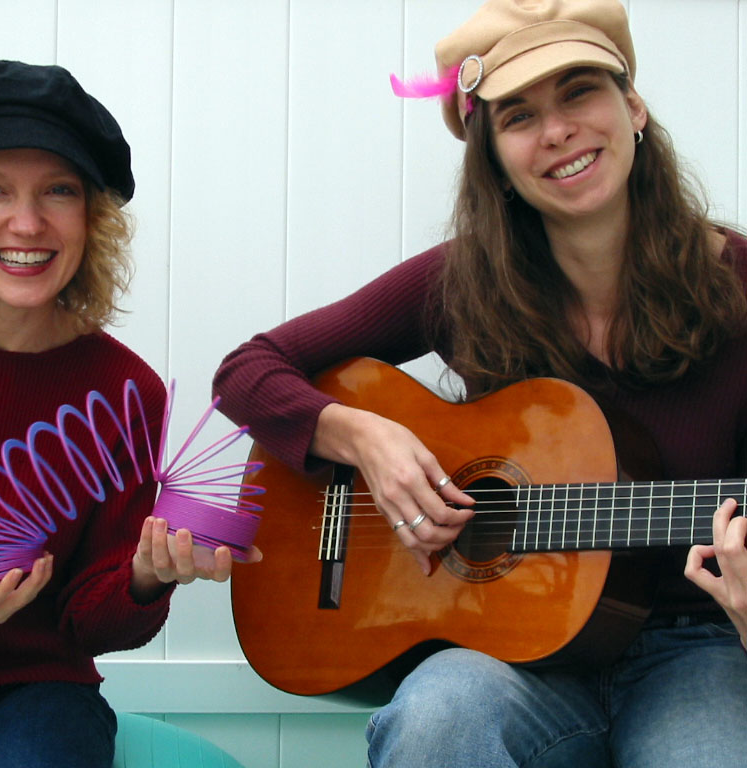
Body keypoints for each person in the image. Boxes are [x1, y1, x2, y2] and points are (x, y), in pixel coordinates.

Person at [213, 1, 747, 765]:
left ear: (632, 107)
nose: (556, 130)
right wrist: (365, 439)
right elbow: (248, 371)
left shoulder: (738, 280)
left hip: (695, 649)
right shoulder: (463, 281)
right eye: (518, 116)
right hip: (506, 659)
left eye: (578, 92)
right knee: (435, 721)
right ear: (492, 157)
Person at [0, 59, 252, 768]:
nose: (27, 224)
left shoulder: (124, 391)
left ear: (91, 220)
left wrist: (145, 578)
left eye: (59, 191)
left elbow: (93, 624)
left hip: (32, 693)